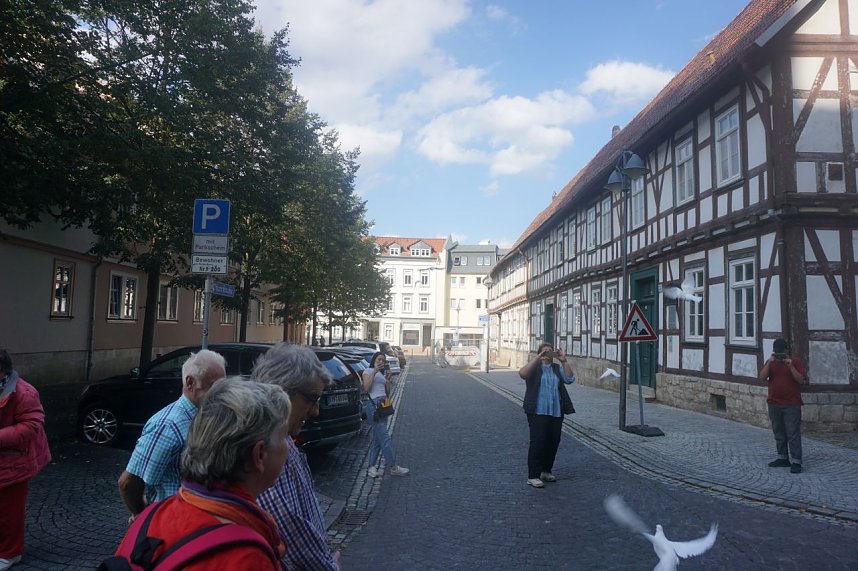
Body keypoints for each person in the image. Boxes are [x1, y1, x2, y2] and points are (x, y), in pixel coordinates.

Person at [106, 378, 290, 569]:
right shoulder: (246, 558)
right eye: (284, 436)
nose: (288, 446)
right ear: (259, 454)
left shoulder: (150, 517)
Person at [251, 343, 343, 571]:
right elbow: (289, 533)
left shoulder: (279, 439)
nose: (316, 411)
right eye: (312, 399)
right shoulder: (265, 448)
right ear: (281, 390)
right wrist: (330, 567)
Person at [118, 349, 226, 520]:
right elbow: (128, 483)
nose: (221, 393)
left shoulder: (205, 415)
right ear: (190, 383)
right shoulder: (167, 425)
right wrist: (141, 513)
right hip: (172, 522)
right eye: (214, 385)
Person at [0, 349, 51, 571]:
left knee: (9, 510)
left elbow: (31, 426)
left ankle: (10, 553)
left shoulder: (24, 393)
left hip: (14, 461)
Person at [518, 343, 575, 488]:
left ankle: (546, 470)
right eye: (545, 351)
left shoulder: (556, 368)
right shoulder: (534, 368)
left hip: (556, 411)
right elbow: (523, 374)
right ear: (539, 354)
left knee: (553, 441)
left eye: (550, 351)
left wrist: (564, 361)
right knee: (538, 441)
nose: (548, 354)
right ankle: (533, 476)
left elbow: (570, 379)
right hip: (538, 411)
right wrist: (538, 357)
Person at [759, 338, 807, 474]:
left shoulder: (795, 362)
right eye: (776, 352)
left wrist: (790, 366)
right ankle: (782, 458)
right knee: (778, 432)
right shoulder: (771, 363)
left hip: (792, 404)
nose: (779, 354)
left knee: (793, 433)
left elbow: (801, 380)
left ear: (786, 350)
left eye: (781, 352)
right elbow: (762, 377)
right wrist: (769, 362)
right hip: (774, 402)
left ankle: (796, 461)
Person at [363, 352, 409, 479]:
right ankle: (393, 467)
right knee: (385, 438)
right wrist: (374, 371)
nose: (381, 362)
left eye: (383, 360)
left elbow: (387, 393)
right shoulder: (368, 370)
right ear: (374, 360)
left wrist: (388, 380)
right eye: (379, 359)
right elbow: (366, 388)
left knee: (377, 440)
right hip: (374, 407)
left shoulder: (381, 374)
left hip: (384, 405)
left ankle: (372, 467)